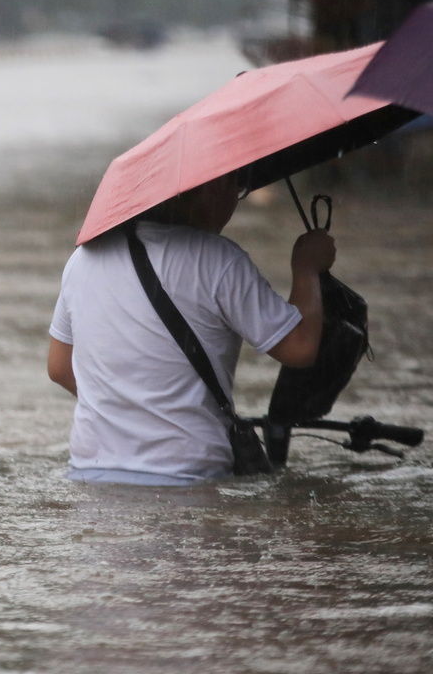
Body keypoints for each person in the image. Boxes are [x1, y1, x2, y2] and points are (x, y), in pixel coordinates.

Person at [47, 173, 336, 484]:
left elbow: (60, 367)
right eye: (232, 188)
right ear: (204, 191)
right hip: (188, 476)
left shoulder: (83, 258)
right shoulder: (219, 259)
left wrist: (130, 408)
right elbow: (300, 347)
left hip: (91, 473)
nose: (232, 203)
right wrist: (307, 269)